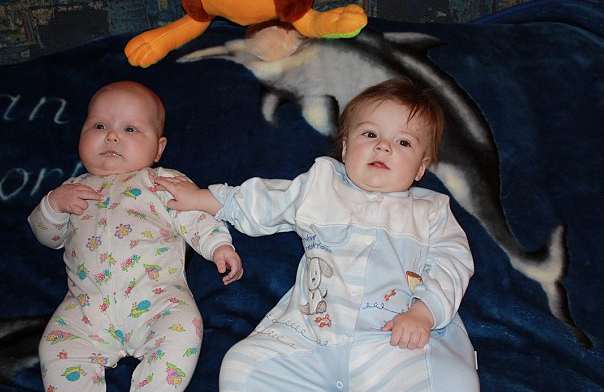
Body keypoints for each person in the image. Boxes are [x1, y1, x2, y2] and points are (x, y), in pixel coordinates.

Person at [155, 78, 479, 391]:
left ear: (421, 167)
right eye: (370, 134)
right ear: (346, 147)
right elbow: (266, 201)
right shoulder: (321, 186)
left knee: (451, 380)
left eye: (403, 142)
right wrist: (203, 199)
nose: (383, 146)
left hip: (393, 340)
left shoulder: (431, 212)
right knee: (242, 367)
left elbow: (452, 264)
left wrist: (424, 312)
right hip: (309, 339)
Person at [28, 81, 243, 391]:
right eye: (99, 126)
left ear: (158, 148)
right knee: (55, 346)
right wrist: (53, 206)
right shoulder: (72, 189)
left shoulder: (162, 182)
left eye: (130, 129)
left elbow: (195, 215)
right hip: (85, 307)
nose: (112, 135)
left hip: (157, 299)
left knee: (183, 329)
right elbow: (47, 237)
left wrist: (218, 245)